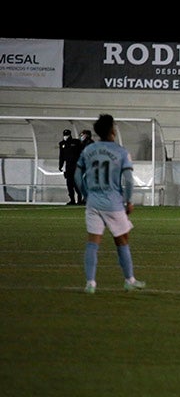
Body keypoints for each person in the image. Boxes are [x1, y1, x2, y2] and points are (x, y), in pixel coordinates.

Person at [73, 114, 145, 294]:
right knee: (122, 240)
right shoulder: (121, 152)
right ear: (112, 130)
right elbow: (128, 180)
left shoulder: (88, 150)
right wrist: (129, 201)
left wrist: (86, 194)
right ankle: (129, 280)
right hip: (113, 203)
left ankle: (90, 283)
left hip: (93, 202)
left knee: (92, 243)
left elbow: (77, 176)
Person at [58, 128, 83, 205]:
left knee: (76, 184)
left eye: (67, 135)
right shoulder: (62, 144)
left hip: (76, 165)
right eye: (65, 135)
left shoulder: (76, 142)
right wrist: (60, 165)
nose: (66, 136)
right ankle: (72, 199)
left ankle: (79, 199)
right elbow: (61, 156)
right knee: (69, 184)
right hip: (68, 166)